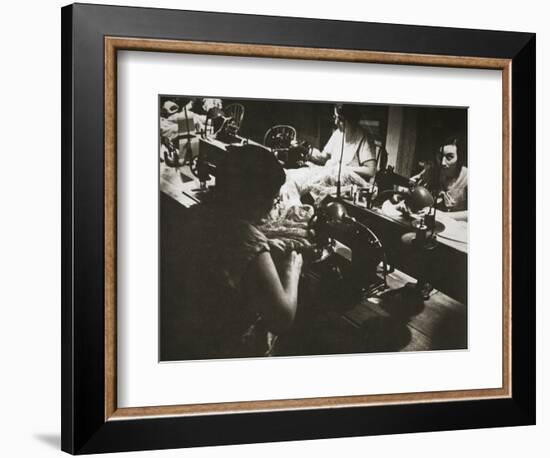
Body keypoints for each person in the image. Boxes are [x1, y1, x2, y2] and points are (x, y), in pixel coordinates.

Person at [167, 145, 304, 360]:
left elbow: (224, 244)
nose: (274, 204)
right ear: (257, 199)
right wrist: (292, 270)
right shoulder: (247, 240)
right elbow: (282, 319)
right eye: (274, 198)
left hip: (182, 336)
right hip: (223, 351)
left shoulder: (197, 213)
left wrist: (263, 247)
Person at [282, 104, 377, 205]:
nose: (336, 122)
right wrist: (306, 150)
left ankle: (300, 210)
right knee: (292, 177)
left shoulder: (363, 138)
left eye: (340, 119)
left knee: (308, 185)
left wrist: (344, 168)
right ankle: (293, 210)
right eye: (335, 117)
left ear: (350, 120)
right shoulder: (338, 134)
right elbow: (323, 157)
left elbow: (370, 170)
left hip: (344, 179)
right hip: (327, 171)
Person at [411, 135, 468, 221]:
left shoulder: (468, 177)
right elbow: (413, 187)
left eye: (449, 157)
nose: (442, 162)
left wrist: (440, 215)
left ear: (459, 158)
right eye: (440, 156)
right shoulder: (432, 171)